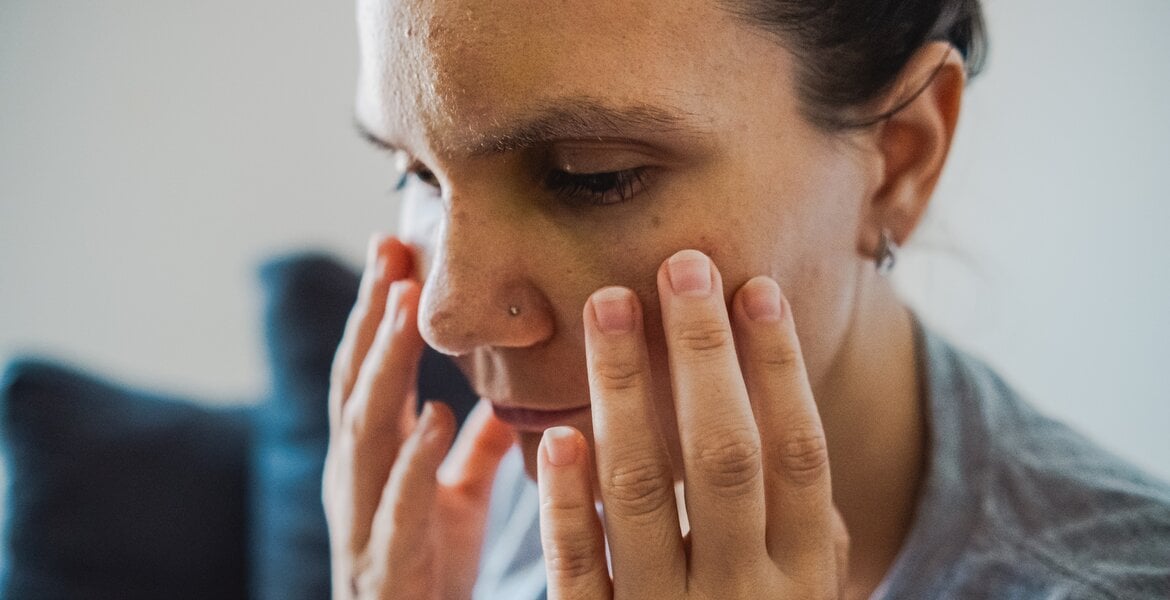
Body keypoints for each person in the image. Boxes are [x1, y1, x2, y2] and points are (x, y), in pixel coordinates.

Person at [322, 0, 1170, 598]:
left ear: (901, 158)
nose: (446, 313)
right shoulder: (504, 501)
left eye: (593, 176)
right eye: (416, 172)